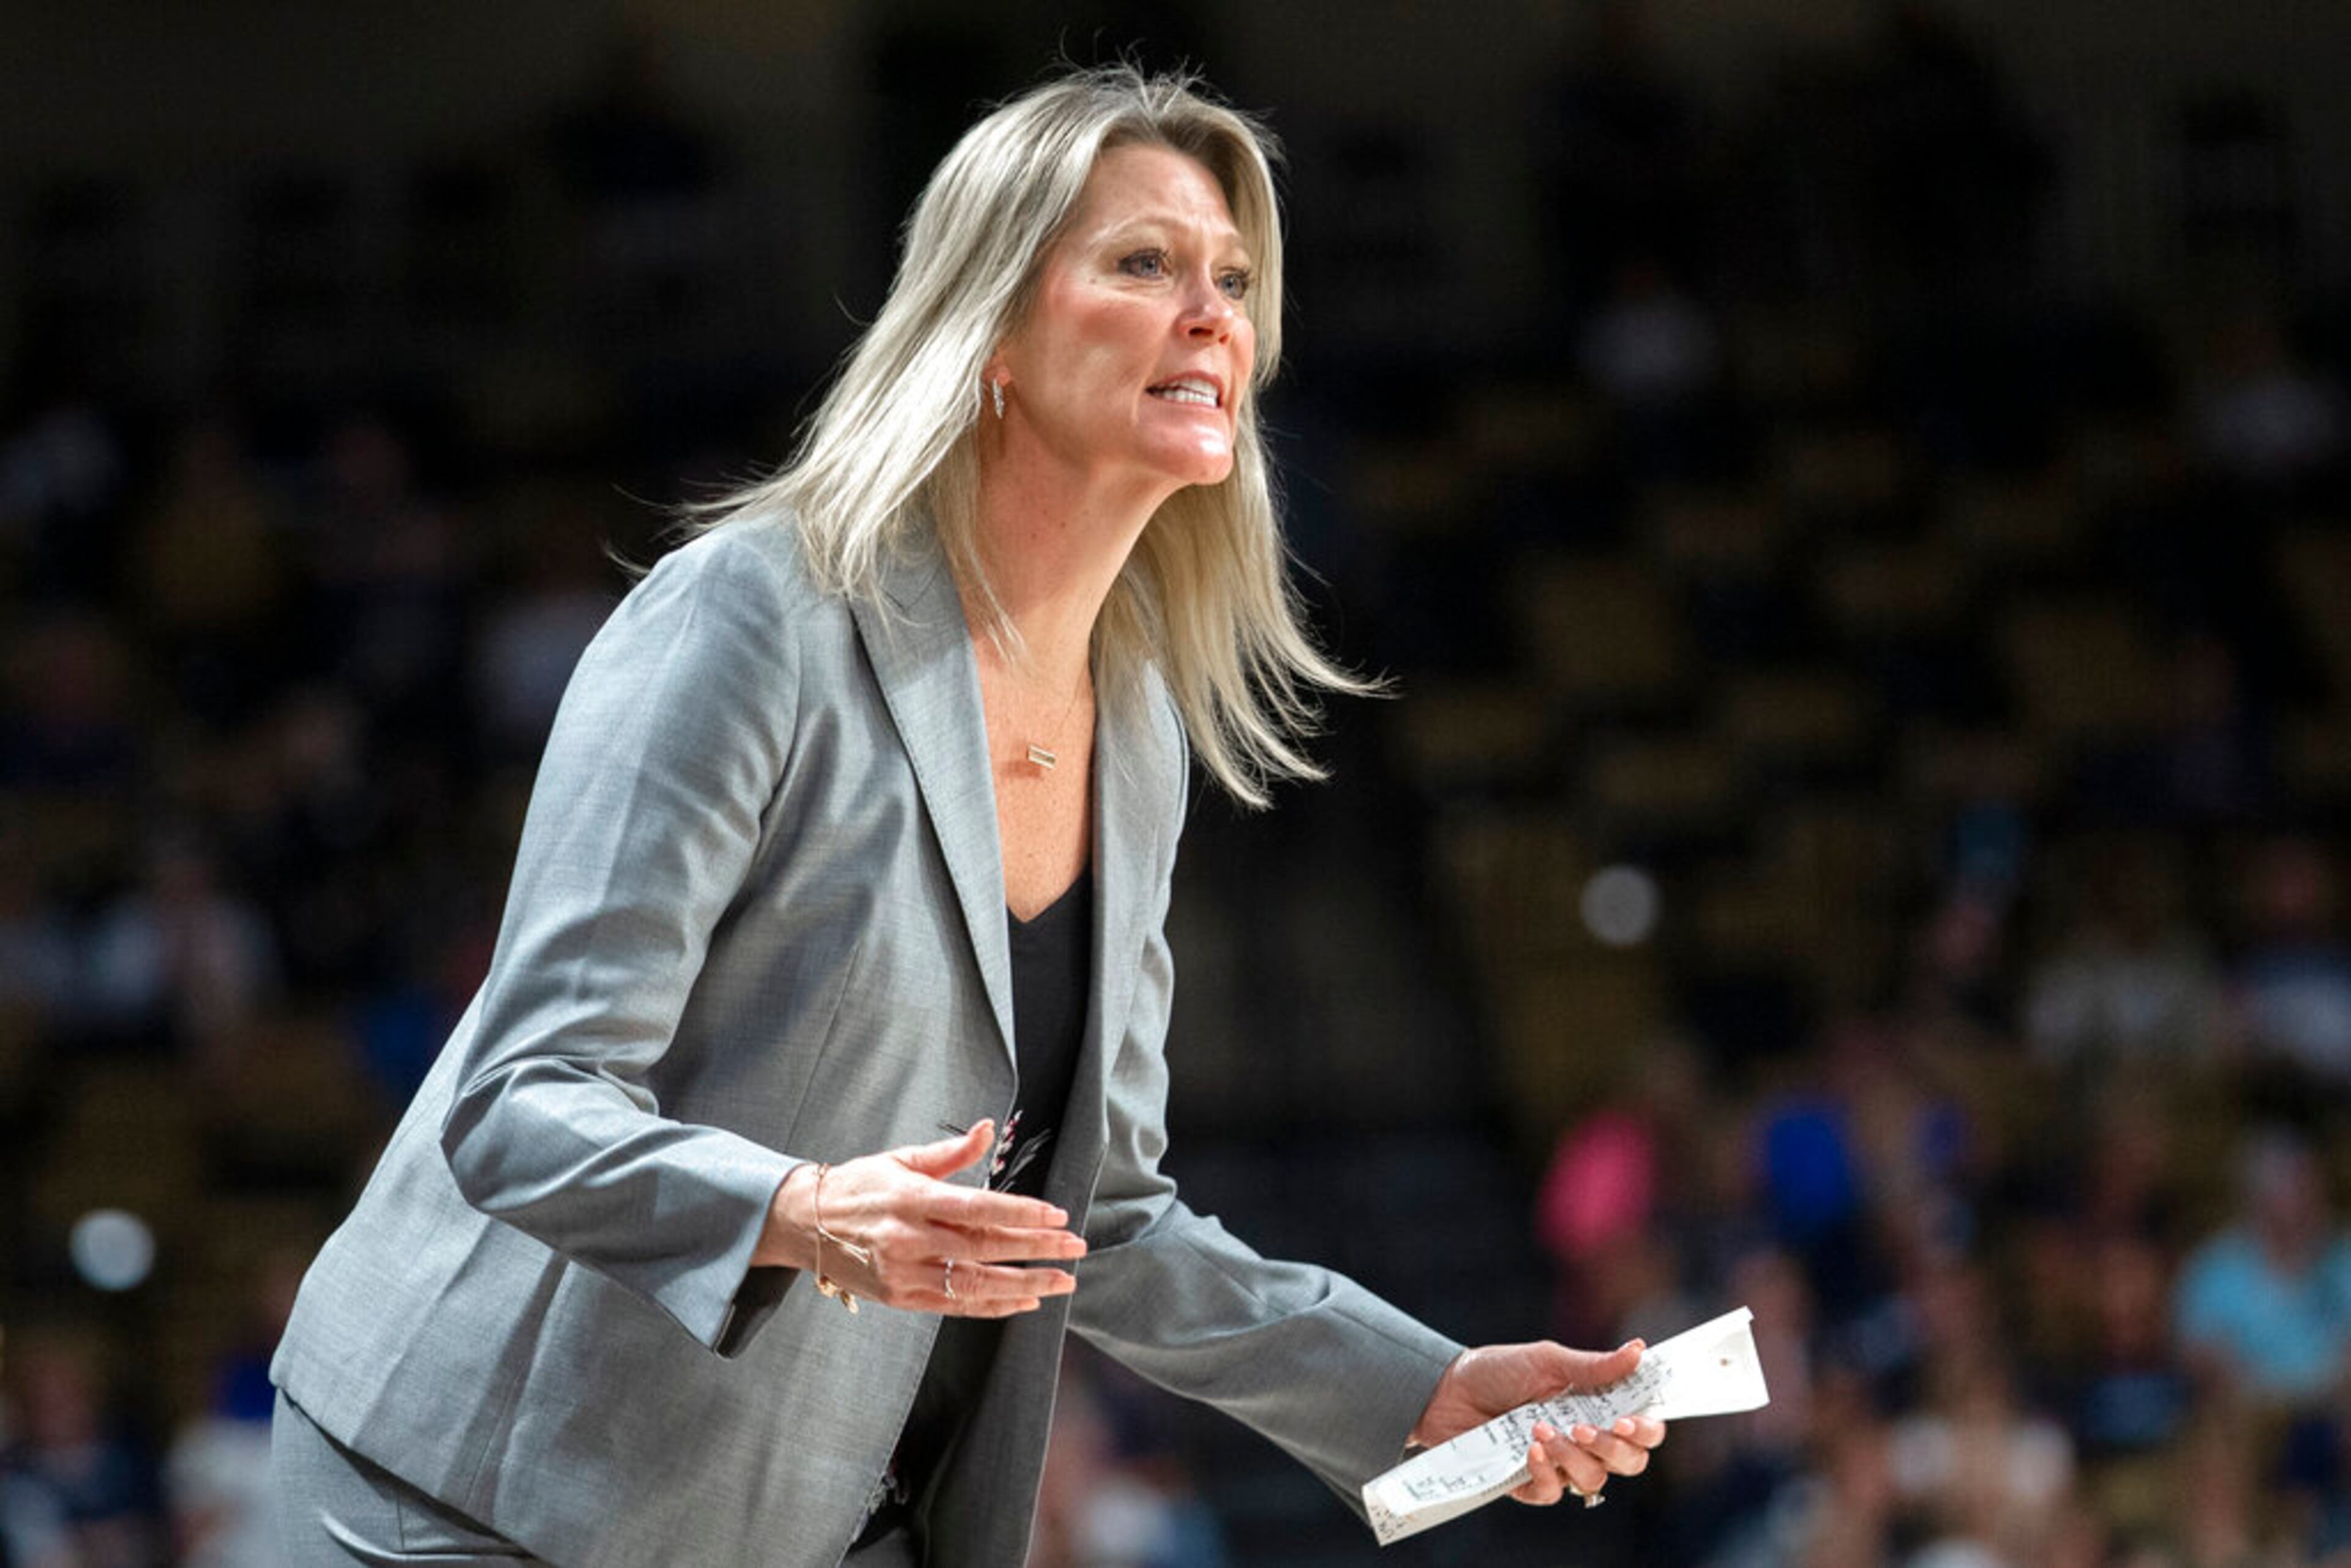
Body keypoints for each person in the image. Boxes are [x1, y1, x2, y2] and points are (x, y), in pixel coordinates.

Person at [266, 66, 1666, 1567]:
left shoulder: (1132, 724)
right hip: (472, 1491)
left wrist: (1418, 1391)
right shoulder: (753, 619)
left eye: (1235, 280)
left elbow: (1099, 1214)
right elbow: (519, 1098)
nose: (1211, 314)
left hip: (800, 1522)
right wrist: (801, 1210)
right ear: (993, 328)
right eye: (1143, 264)